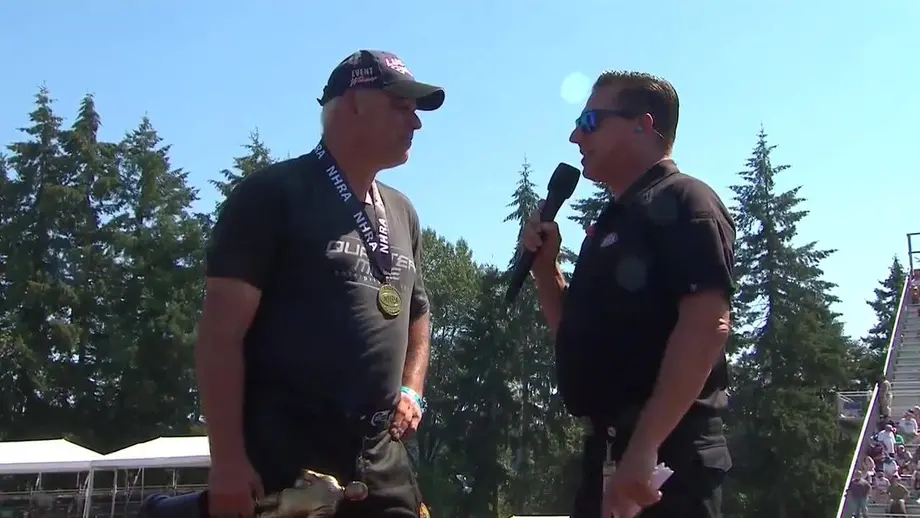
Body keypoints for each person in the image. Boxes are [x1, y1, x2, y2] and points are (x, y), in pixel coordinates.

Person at [195, 50, 444, 518]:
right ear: (354, 103)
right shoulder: (272, 195)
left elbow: (417, 311)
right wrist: (226, 461)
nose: (415, 123)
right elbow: (219, 336)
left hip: (381, 457)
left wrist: (411, 390)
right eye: (401, 106)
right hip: (289, 460)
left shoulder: (403, 212)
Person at [523, 71, 733, 518]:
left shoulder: (687, 201)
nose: (575, 136)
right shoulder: (612, 222)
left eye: (590, 121)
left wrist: (646, 444)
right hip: (610, 451)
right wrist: (546, 271)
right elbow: (576, 338)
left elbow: (706, 326)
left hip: (666, 460)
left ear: (643, 124)